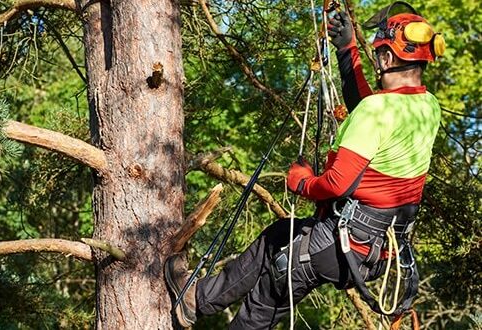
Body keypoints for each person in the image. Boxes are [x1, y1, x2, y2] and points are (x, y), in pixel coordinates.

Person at [165, 2, 444, 328]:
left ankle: (198, 301)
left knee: (262, 304)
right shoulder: (427, 106)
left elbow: (338, 183)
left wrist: (301, 182)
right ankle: (196, 299)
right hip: (374, 250)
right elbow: (371, 108)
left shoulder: (377, 111)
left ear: (385, 58)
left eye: (379, 53)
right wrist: (347, 51)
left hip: (341, 244)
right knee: (278, 235)